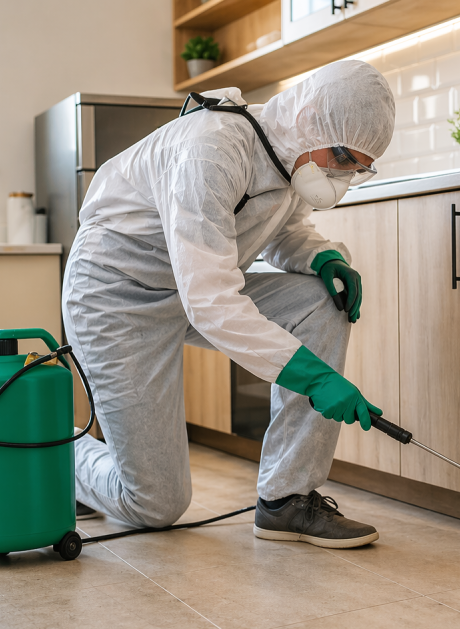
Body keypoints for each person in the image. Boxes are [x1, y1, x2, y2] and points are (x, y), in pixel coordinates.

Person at [61, 60, 395, 548]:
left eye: (356, 166)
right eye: (342, 155)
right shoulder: (212, 149)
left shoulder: (290, 156)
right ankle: (62, 453)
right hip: (116, 296)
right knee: (154, 504)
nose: (341, 173)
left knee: (320, 300)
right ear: (309, 117)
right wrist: (314, 376)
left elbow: (280, 230)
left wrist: (320, 257)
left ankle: (286, 499)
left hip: (190, 286)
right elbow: (212, 301)